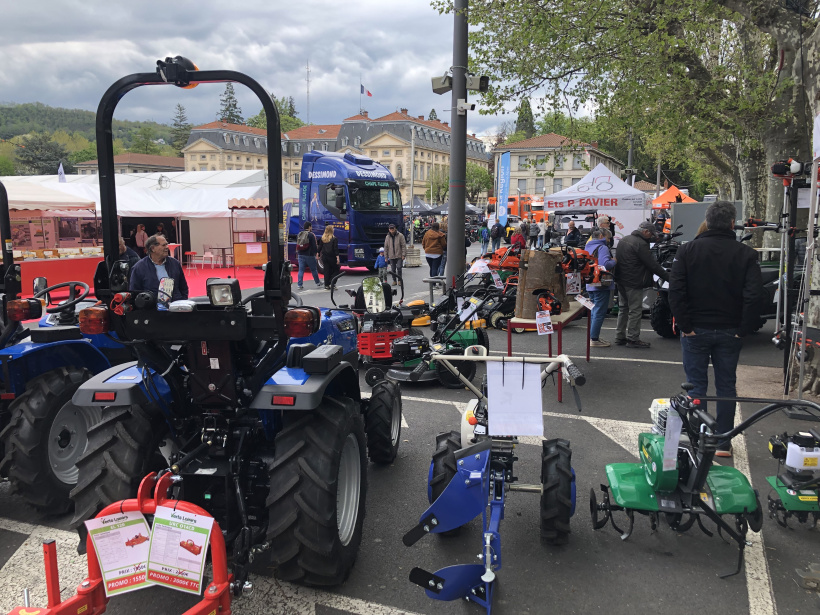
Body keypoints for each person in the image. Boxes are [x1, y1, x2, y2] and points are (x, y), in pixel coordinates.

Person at [668, 201, 765, 457]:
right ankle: (722, 442)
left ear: (707, 222)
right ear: (733, 223)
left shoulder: (687, 251)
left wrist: (686, 325)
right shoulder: (746, 254)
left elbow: (676, 291)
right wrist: (744, 328)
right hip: (730, 329)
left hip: (696, 329)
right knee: (726, 386)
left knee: (696, 386)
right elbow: (754, 295)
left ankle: (701, 438)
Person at [613, 221, 669, 348]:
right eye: (651, 234)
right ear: (645, 232)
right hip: (634, 281)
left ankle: (619, 336)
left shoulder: (625, 239)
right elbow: (652, 265)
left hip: (621, 279)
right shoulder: (641, 244)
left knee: (623, 308)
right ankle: (633, 338)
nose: (652, 237)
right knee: (635, 310)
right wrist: (669, 278)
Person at [130, 234, 189, 300]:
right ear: (153, 248)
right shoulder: (139, 268)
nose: (167, 247)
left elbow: (183, 288)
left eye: (167, 244)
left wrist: (182, 302)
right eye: (164, 245)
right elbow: (134, 292)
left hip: (175, 306)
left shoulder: (175, 263)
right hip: (152, 308)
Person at [586, 229, 617, 347]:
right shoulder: (602, 247)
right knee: (599, 311)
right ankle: (594, 339)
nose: (609, 240)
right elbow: (605, 264)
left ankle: (594, 337)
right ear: (601, 236)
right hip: (601, 284)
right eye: (608, 238)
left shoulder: (587, 246)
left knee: (594, 310)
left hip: (590, 283)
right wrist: (614, 261)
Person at [295, 221, 322, 290]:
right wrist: (316, 253)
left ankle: (299, 284)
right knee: (313, 269)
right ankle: (317, 282)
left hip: (300, 254)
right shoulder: (311, 235)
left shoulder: (299, 234)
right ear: (309, 227)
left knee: (301, 270)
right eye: (311, 226)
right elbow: (314, 245)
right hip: (309, 255)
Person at [318, 225, 340, 290]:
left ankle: (326, 284)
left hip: (324, 257)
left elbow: (319, 247)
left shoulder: (323, 238)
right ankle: (332, 282)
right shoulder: (334, 239)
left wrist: (317, 254)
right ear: (331, 230)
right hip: (332, 257)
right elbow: (335, 249)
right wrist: (338, 258)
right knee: (336, 269)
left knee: (326, 270)